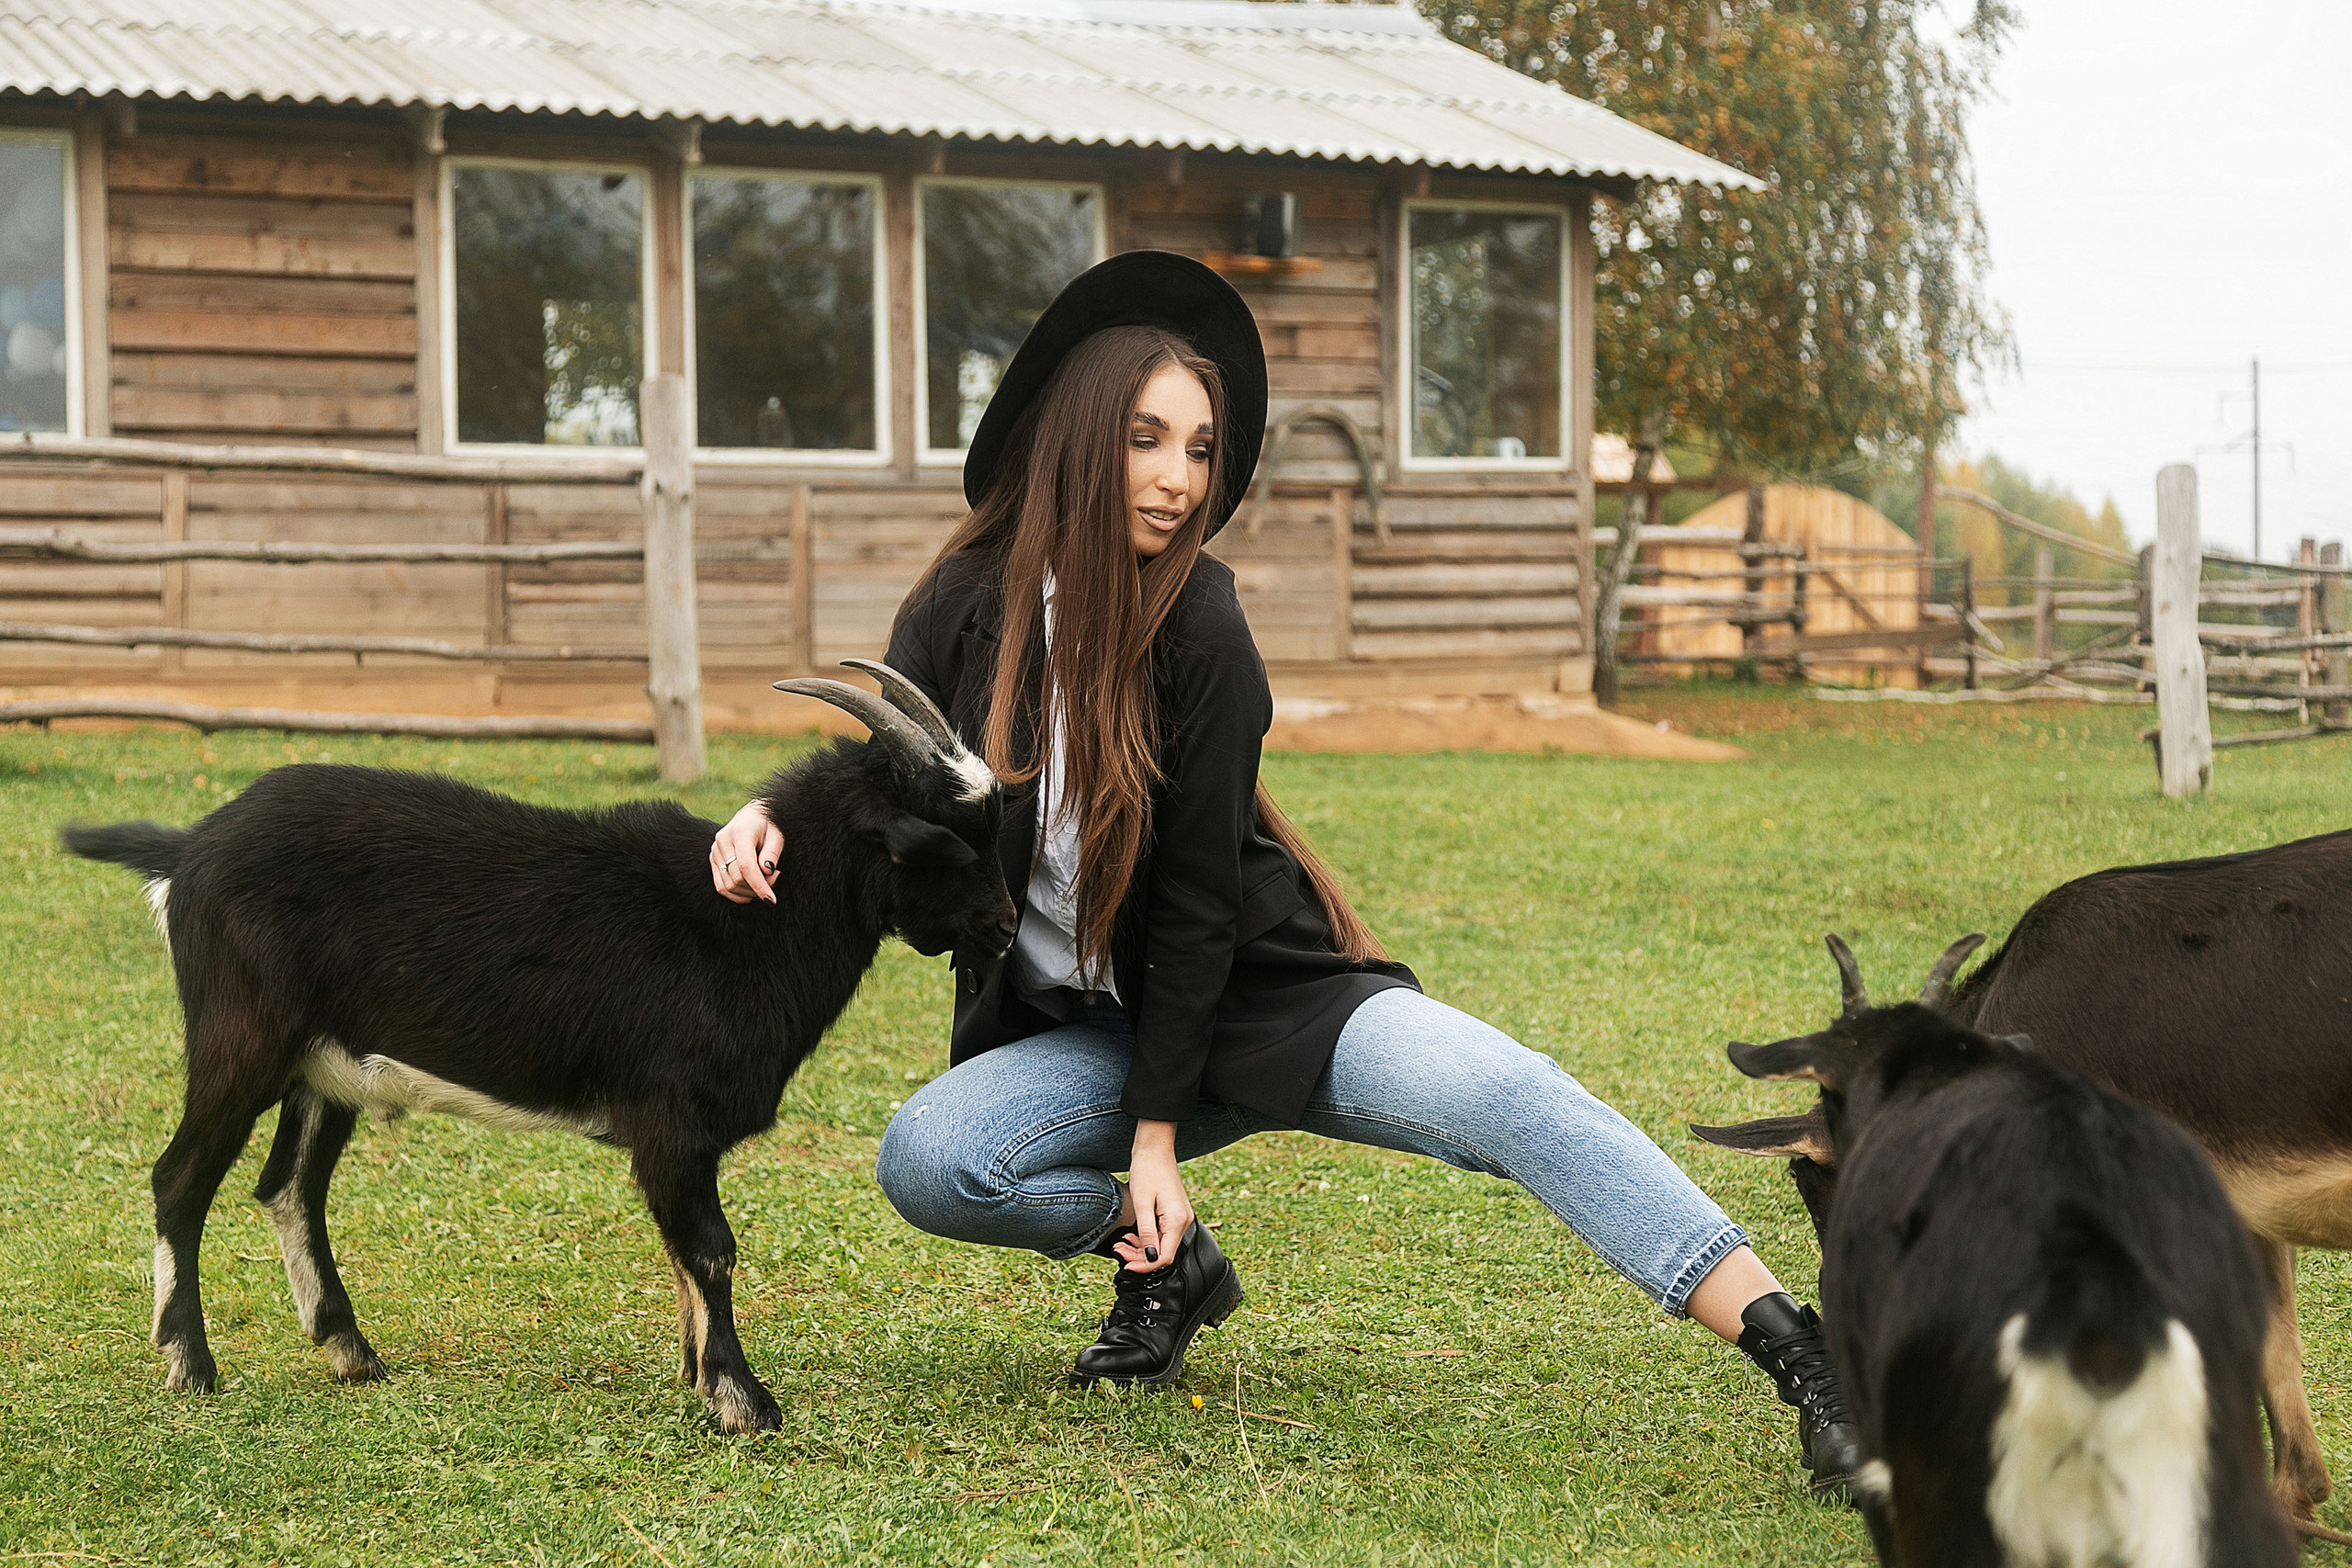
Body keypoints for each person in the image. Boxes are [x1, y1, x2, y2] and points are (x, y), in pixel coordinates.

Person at [711, 252, 1860, 1500]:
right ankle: (1170, 1264)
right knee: (933, 1160)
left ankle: (1806, 1360)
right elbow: (891, 772)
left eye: (1199, 450)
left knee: (1518, 1098)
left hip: (1273, 1003)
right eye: (1148, 438)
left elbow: (1203, 907)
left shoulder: (1202, 626)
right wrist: (770, 816)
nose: (1175, 476)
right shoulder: (960, 604)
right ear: (1081, 436)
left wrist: (1155, 1138)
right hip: (1095, 1033)